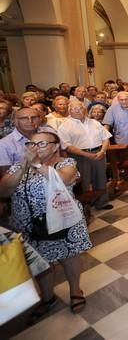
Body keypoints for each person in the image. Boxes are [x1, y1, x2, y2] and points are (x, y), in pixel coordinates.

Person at [0, 131, 92, 320]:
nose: (35, 149)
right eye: (31, 145)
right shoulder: (19, 165)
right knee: (40, 263)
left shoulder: (66, 163)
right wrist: (24, 166)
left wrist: (36, 164)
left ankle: (75, 291)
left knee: (69, 257)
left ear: (55, 146)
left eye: (41, 144)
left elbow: (64, 179)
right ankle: (47, 298)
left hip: (62, 221)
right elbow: (4, 190)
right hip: (28, 224)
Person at [58, 101, 113, 210]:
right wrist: (86, 154)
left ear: (85, 109)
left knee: (101, 178)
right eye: (75, 109)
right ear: (69, 111)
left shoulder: (94, 122)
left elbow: (106, 138)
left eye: (80, 108)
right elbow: (67, 146)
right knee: (83, 181)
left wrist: (102, 151)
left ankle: (102, 202)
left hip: (98, 153)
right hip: (80, 156)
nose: (78, 110)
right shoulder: (65, 126)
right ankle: (85, 206)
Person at [0, 107, 43, 174]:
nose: (30, 121)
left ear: (40, 119)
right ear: (15, 121)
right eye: (24, 118)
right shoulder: (4, 144)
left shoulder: (51, 134)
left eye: (34, 117)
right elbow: (6, 176)